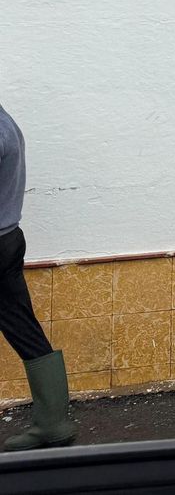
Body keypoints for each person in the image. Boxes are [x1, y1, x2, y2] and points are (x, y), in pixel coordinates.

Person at [0, 103, 75, 451]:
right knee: (21, 325)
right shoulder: (6, 122)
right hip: (8, 237)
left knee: (21, 324)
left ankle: (53, 424)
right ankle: (54, 423)